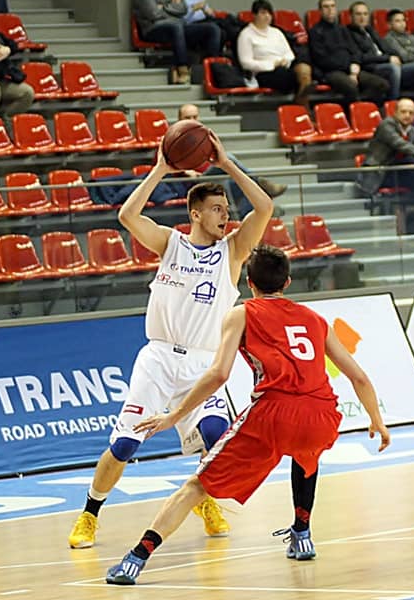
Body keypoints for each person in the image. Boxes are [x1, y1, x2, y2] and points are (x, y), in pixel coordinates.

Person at [104, 245, 389, 584]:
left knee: (197, 486)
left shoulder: (241, 313)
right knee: (306, 455)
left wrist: (175, 414)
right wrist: (376, 419)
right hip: (322, 413)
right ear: (288, 282)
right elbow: (359, 378)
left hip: (274, 412)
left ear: (249, 283)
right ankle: (302, 534)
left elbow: (218, 374)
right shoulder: (316, 320)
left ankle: (136, 559)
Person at [67, 131, 275, 550]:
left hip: (203, 362)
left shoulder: (233, 252)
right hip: (159, 358)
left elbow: (265, 206)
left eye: (226, 209)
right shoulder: (171, 243)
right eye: (217, 209)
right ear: (195, 214)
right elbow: (127, 215)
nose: (226, 215)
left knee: (215, 434)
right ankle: (89, 513)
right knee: (125, 444)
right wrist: (162, 167)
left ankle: (202, 499)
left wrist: (226, 163)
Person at [132, 0, 221, 85]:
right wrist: (172, 7)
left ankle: (210, 70)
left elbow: (183, 8)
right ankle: (183, 70)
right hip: (152, 28)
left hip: (176, 26)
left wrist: (163, 7)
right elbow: (153, 13)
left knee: (212, 29)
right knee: (176, 26)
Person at [308, 0, 389, 104]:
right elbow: (321, 59)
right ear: (320, 11)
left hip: (351, 69)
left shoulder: (342, 29)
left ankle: (364, 106)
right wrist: (348, 68)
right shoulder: (315, 31)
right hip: (331, 72)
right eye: (326, 7)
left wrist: (354, 66)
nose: (330, 10)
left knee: (382, 84)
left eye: (332, 6)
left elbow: (355, 51)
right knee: (350, 86)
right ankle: (355, 110)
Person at [236, 0, 315, 104]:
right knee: (291, 77)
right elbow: (246, 63)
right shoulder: (246, 35)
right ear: (254, 15)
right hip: (263, 72)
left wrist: (285, 60)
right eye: (263, 13)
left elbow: (289, 53)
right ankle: (302, 99)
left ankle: (302, 95)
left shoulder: (276, 32)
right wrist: (272, 65)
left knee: (303, 68)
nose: (267, 16)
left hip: (283, 66)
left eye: (269, 13)